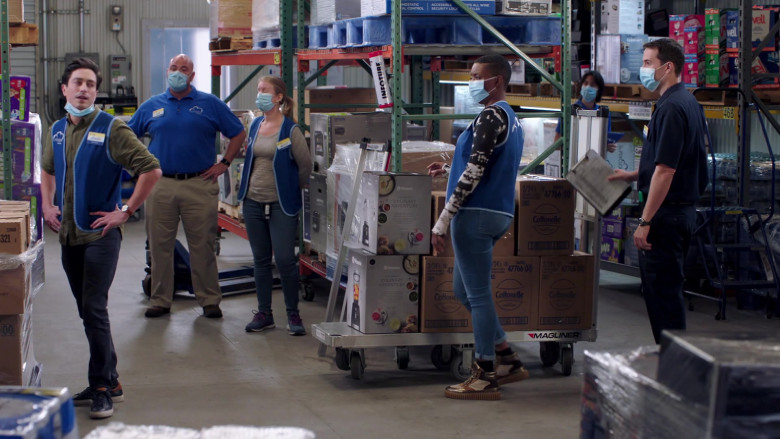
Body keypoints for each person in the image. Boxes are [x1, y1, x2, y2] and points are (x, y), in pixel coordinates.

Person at [41, 57, 162, 418]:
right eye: (78, 83)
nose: (84, 89)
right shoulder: (57, 130)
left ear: (96, 91)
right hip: (68, 236)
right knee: (87, 312)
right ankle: (112, 380)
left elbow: (151, 169)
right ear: (64, 89)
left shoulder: (112, 128)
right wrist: (47, 205)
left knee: (94, 309)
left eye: (91, 84)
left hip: (100, 236)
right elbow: (48, 169)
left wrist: (125, 211)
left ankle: (101, 387)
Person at [427, 54, 529, 400]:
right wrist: (446, 168)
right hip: (499, 212)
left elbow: (474, 173)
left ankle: (485, 374)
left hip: (475, 215)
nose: (470, 82)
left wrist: (442, 222)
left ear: (496, 80)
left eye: (475, 76)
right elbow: (481, 163)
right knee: (464, 292)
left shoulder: (490, 115)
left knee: (479, 295)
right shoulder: (512, 119)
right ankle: (506, 357)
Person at [128, 54, 246, 319]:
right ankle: (160, 299)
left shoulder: (210, 104)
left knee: (202, 244)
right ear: (167, 71)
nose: (178, 72)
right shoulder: (151, 106)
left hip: (199, 184)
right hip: (160, 186)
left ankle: (209, 300)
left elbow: (238, 132)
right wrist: (139, 167)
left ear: (192, 76)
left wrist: (225, 163)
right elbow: (128, 136)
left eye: (184, 69)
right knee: (159, 246)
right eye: (174, 67)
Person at [608, 38, 708, 344]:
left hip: (666, 216)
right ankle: (674, 364)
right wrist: (636, 173)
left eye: (648, 63)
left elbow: (667, 171)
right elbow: (671, 160)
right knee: (665, 291)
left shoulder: (672, 108)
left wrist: (645, 221)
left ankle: (675, 369)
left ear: (668, 67)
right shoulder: (685, 102)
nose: (643, 69)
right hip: (678, 211)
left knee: (662, 295)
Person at [236, 76, 312, 335]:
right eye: (258, 90)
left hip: (281, 204)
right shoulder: (256, 124)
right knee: (260, 260)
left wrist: (291, 189)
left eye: (264, 91)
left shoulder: (291, 130)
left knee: (284, 260)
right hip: (253, 201)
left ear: (278, 97)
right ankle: (264, 313)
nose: (259, 95)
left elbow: (305, 166)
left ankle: (293, 313)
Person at [554, 70, 615, 152]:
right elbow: (557, 144)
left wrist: (609, 146)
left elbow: (607, 141)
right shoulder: (570, 111)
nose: (588, 87)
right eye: (585, 83)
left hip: (596, 161)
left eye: (592, 84)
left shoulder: (603, 113)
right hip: (574, 160)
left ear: (599, 90)